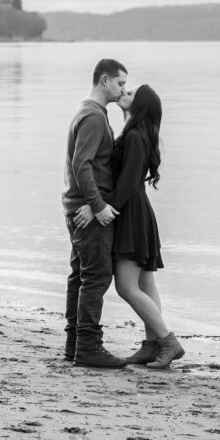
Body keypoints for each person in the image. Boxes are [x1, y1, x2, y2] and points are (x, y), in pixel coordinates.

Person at [75, 84, 184, 370]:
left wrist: (97, 206)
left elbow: (127, 184)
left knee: (126, 287)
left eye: (131, 93)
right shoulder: (135, 133)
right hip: (137, 211)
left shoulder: (135, 137)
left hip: (131, 214)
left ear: (140, 107)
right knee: (146, 285)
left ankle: (168, 341)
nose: (125, 92)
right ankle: (151, 346)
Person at [62, 59, 130, 368]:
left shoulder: (90, 113)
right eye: (120, 84)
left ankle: (74, 344)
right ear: (104, 80)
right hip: (85, 212)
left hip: (78, 208)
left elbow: (88, 164)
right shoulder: (92, 117)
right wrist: (98, 205)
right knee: (97, 276)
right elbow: (81, 164)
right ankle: (89, 347)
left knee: (81, 275)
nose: (123, 90)